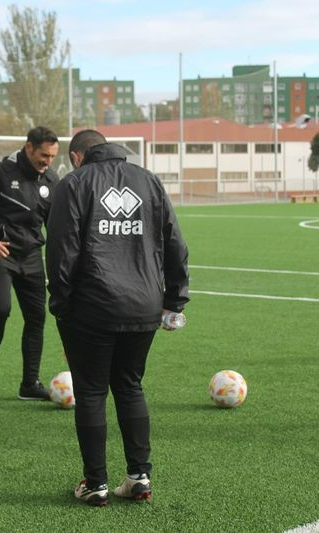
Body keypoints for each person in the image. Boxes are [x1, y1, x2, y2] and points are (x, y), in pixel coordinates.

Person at [45, 129, 189, 506]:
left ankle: (95, 484)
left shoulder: (73, 183)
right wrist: (175, 300)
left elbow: (63, 251)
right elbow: (175, 242)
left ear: (77, 156)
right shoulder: (149, 180)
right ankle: (139, 477)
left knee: (91, 390)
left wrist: (60, 306)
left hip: (92, 307)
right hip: (144, 305)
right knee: (130, 385)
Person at [0, 126, 60, 401]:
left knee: (37, 317)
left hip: (31, 257)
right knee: (1, 309)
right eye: (44, 155)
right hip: (0, 254)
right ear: (29, 148)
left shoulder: (51, 180)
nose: (48, 162)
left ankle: (30, 383)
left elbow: (56, 224)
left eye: (52, 157)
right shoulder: (0, 173)